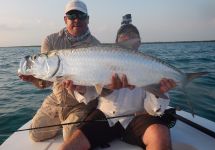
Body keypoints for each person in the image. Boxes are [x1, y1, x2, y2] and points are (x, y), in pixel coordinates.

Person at [59, 14, 176, 150]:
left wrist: (158, 93)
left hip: (137, 118)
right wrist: (80, 88)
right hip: (106, 116)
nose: (127, 37)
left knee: (160, 136)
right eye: (123, 34)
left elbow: (154, 110)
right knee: (68, 146)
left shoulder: (150, 65)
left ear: (139, 42)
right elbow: (91, 94)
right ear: (116, 41)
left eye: (132, 34)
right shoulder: (103, 58)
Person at [19, 0, 100, 141]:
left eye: (81, 16)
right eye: (72, 16)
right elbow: (46, 81)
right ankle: (65, 122)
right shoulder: (51, 40)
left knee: (70, 138)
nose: (76, 20)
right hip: (57, 99)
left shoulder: (96, 46)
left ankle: (76, 122)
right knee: (35, 135)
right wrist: (34, 79)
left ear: (88, 19)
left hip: (82, 103)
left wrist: (82, 88)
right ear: (65, 19)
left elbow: (98, 86)